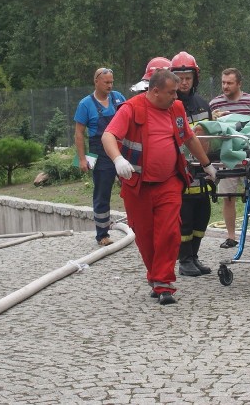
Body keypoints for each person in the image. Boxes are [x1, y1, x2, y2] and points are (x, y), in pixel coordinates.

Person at [101, 69, 217, 305]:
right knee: (145, 235)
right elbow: (108, 136)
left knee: (170, 232)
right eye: (171, 92)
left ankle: (164, 284)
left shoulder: (176, 110)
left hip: (169, 182)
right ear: (155, 91)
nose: (176, 96)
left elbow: (188, 138)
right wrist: (118, 160)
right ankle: (156, 277)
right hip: (138, 186)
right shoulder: (131, 109)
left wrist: (207, 165)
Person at [208, 68, 250, 249]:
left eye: (229, 83)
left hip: (249, 156)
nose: (225, 86)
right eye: (223, 82)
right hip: (226, 157)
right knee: (227, 196)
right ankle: (231, 237)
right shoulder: (214, 104)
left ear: (239, 84)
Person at [170, 51, 213, 277]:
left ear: (195, 78)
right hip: (179, 170)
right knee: (184, 216)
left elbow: (210, 137)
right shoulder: (169, 104)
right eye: (180, 77)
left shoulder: (202, 104)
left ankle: (194, 255)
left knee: (202, 214)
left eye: (188, 77)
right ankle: (184, 259)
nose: (184, 82)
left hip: (202, 169)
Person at [73, 67, 126, 246]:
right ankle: (102, 234)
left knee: (131, 187)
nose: (110, 85)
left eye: (112, 82)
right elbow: (79, 133)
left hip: (120, 148)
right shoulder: (85, 104)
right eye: (106, 82)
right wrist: (82, 159)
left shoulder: (118, 98)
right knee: (102, 191)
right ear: (96, 81)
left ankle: (136, 225)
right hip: (99, 152)